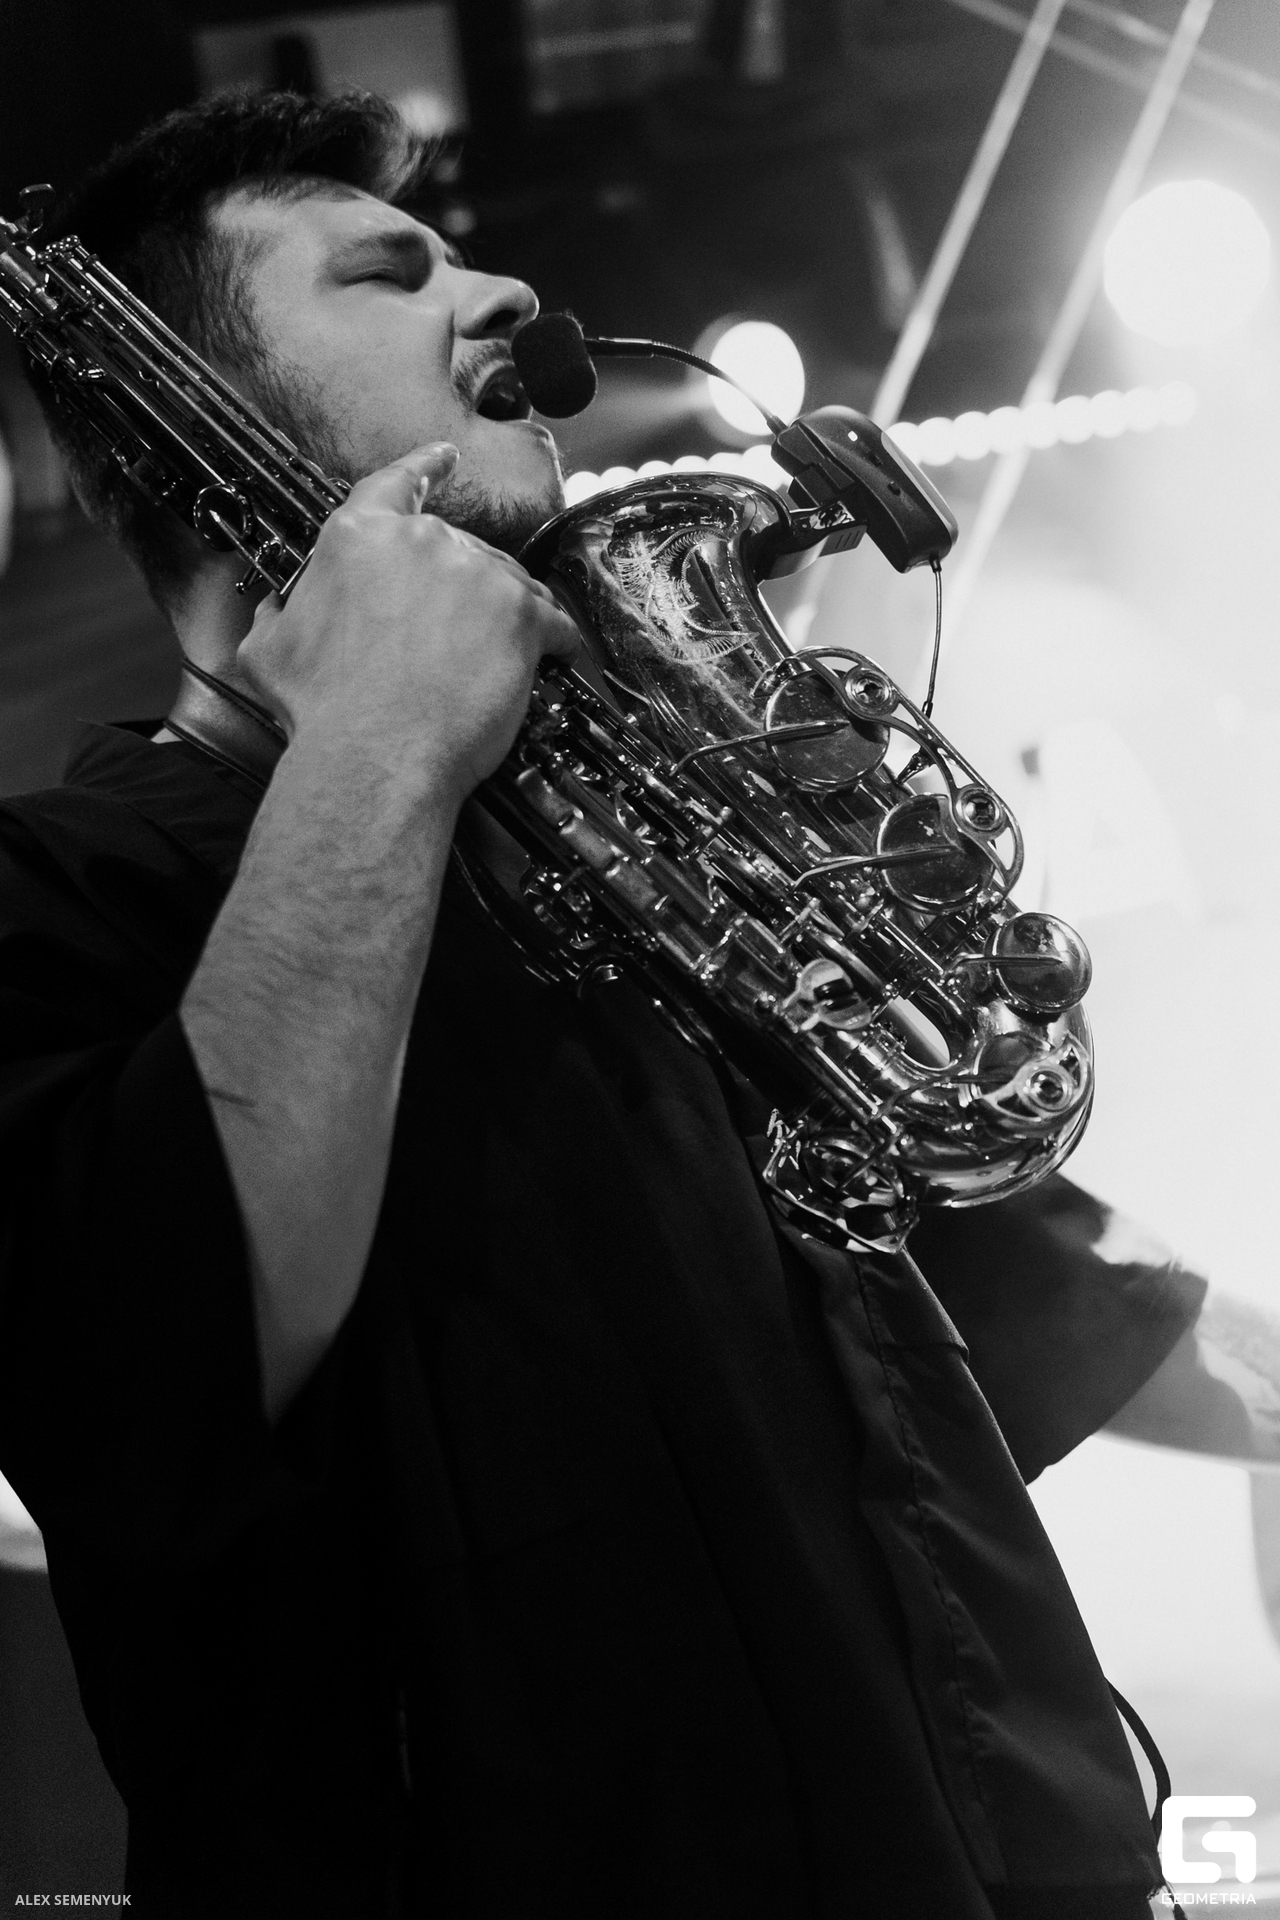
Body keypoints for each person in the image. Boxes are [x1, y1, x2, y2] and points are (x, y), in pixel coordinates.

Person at [0, 88, 1276, 1920]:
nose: (508, 293)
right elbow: (158, 1358)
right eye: (388, 273)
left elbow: (1065, 1300)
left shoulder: (649, 860)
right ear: (180, 407)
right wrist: (378, 736)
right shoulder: (61, 891)